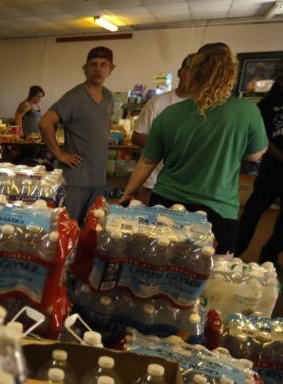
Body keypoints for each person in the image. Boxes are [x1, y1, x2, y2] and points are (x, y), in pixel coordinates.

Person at [119, 45, 268, 254]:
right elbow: (255, 154)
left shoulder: (170, 113)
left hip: (166, 205)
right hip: (217, 210)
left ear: (194, 73)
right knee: (210, 275)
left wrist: (128, 193)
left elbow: (147, 161)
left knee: (158, 266)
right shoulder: (247, 112)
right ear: (232, 75)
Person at [40, 46, 115, 223]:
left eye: (103, 64)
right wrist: (59, 154)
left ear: (111, 69)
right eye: (93, 64)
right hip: (75, 178)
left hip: (98, 177)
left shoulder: (109, 97)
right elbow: (45, 123)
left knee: (91, 228)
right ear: (85, 68)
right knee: (67, 226)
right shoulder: (74, 97)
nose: (98, 69)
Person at [236, 59, 283, 264]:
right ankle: (234, 252)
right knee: (252, 213)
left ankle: (269, 257)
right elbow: (262, 139)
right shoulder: (267, 103)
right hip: (272, 169)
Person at [131, 54, 194, 205]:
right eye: (189, 69)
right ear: (180, 72)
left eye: (198, 70)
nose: (193, 74)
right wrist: (166, 146)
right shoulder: (158, 103)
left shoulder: (204, 106)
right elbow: (137, 137)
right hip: (154, 182)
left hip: (188, 187)